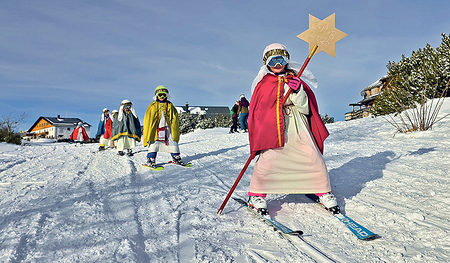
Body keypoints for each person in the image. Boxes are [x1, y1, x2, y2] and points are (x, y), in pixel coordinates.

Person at [247, 43, 338, 215]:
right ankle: (256, 194)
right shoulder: (263, 83)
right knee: (269, 159)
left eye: (280, 60)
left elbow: (305, 108)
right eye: (272, 61)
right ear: (266, 63)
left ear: (286, 60)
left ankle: (321, 190)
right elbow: (259, 110)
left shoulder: (295, 79)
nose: (277, 65)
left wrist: (297, 92)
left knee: (311, 155)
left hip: (297, 126)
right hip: (273, 128)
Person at [142, 85, 186, 167]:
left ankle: (176, 157)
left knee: (172, 140)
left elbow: (174, 117)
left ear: (167, 96)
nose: (162, 97)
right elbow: (148, 118)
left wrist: (173, 127)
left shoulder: (170, 106)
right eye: (160, 94)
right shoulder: (152, 106)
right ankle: (151, 159)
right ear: (156, 95)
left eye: (164, 95)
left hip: (168, 128)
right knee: (154, 142)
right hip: (156, 128)